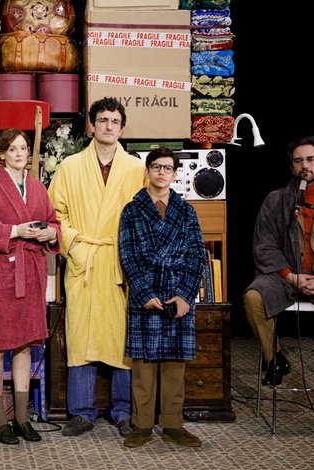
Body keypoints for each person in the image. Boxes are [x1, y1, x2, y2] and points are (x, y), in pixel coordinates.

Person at [47, 97, 148, 437]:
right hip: (85, 261)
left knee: (123, 338)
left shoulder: (135, 168)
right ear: (91, 125)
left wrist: (132, 253)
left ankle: (123, 411)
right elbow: (54, 214)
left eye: (114, 121)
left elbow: (146, 214)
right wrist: (74, 245)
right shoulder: (70, 166)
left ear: (122, 128)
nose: (108, 126)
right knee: (82, 335)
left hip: (120, 262)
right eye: (102, 120)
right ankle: (81, 412)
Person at [0, 128, 62, 445]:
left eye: (24, 148)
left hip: (31, 273)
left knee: (24, 345)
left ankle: (21, 418)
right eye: (14, 149)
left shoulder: (38, 188)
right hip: (1, 274)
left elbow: (53, 222)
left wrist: (50, 234)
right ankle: (0, 421)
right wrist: (14, 230)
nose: (20, 153)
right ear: (2, 154)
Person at [243, 135, 314, 390]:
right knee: (253, 298)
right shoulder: (274, 201)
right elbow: (264, 246)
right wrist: (291, 276)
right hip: (283, 277)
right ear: (292, 167)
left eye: (310, 159)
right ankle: (275, 359)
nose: (304, 165)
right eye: (298, 161)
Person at [118, 148, 206, 448]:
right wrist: (143, 293)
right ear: (147, 171)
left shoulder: (187, 211)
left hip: (177, 294)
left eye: (167, 168)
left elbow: (197, 255)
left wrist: (185, 296)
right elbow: (127, 255)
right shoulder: (132, 210)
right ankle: (141, 425)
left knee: (174, 365)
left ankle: (173, 425)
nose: (161, 172)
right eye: (156, 167)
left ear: (175, 173)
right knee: (143, 366)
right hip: (146, 293)